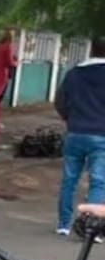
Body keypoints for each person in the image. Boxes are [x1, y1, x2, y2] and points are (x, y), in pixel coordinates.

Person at [53, 36, 105, 236]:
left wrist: (71, 119)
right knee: (98, 181)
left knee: (69, 180)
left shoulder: (74, 74)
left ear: (91, 50)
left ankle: (63, 225)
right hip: (101, 136)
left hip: (75, 133)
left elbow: (60, 101)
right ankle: (91, 229)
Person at [0, 29, 19, 105]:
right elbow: (9, 61)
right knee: (0, 94)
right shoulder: (8, 46)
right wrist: (16, 63)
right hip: (2, 73)